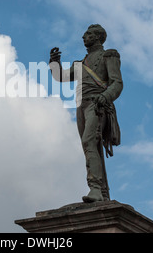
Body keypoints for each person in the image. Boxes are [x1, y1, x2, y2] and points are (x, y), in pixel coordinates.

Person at [49, 24, 123, 202]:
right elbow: (62, 77)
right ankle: (102, 192)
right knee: (89, 146)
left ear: (98, 37)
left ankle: (95, 188)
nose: (84, 36)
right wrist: (54, 63)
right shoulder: (80, 64)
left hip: (98, 105)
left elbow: (117, 83)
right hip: (81, 106)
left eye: (88, 34)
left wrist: (105, 97)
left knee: (88, 141)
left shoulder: (109, 55)